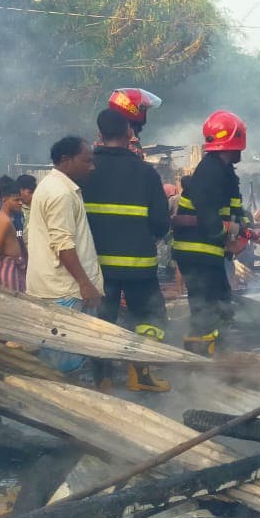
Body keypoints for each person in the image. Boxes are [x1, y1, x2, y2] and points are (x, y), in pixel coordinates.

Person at [83, 108, 172, 391]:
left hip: (98, 268)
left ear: (99, 135)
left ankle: (103, 379)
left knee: (102, 322)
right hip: (139, 267)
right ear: (129, 134)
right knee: (149, 319)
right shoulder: (146, 172)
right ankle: (140, 375)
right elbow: (160, 222)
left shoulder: (86, 170)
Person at [172, 110, 247, 355]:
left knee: (222, 304)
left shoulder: (223, 171)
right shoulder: (211, 171)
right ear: (236, 139)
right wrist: (231, 233)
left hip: (207, 253)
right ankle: (197, 364)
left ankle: (218, 353)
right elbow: (209, 220)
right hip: (198, 253)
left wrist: (245, 230)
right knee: (204, 311)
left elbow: (233, 209)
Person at [27, 137, 103, 373]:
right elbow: (63, 245)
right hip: (65, 291)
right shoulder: (61, 193)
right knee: (66, 368)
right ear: (65, 160)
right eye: (86, 161)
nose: (91, 167)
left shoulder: (54, 186)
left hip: (55, 288)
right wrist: (85, 284)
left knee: (56, 362)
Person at [0, 180, 25, 291]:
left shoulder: (0, 219)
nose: (20, 203)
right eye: (16, 200)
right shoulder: (5, 221)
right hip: (7, 266)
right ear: (4, 200)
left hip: (6, 265)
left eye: (21, 199)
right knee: (13, 301)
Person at [106, 88, 162, 157]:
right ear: (132, 109)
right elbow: (137, 163)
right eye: (143, 108)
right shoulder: (131, 142)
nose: (144, 112)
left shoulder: (108, 137)